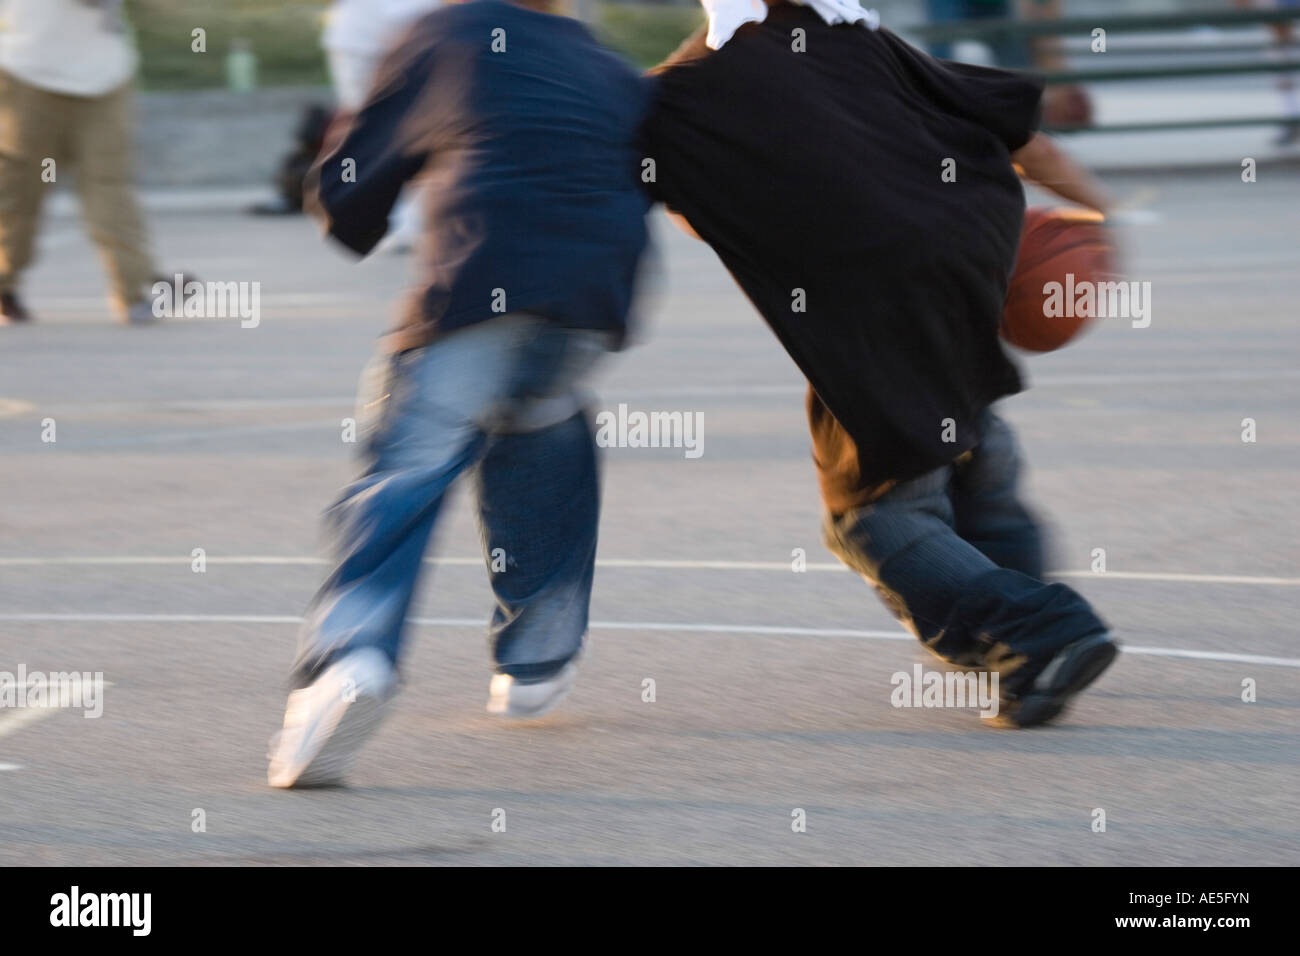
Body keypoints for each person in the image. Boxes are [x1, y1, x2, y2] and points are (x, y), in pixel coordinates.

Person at [641, 0, 1118, 727]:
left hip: (873, 291)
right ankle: (1025, 609)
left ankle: (1039, 630)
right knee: (959, 433)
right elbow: (1030, 141)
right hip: (975, 250)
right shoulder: (856, 36)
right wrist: (1100, 220)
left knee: (872, 513)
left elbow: (619, 193)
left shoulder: (675, 97)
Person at [267, 0, 651, 788]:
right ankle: (537, 660)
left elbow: (349, 192)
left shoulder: (445, 31)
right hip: (595, 294)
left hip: (485, 275)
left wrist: (347, 186)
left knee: (409, 459)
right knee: (540, 419)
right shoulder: (607, 64)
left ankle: (350, 660)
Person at [0, 0, 176, 325]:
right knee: (19, 192)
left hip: (104, 78)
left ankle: (133, 289)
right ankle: (4, 284)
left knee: (110, 188)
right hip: (28, 76)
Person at [318, 0, 444, 251]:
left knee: (395, 135)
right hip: (371, 42)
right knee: (393, 135)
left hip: (371, 40)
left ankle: (401, 220)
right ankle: (395, 220)